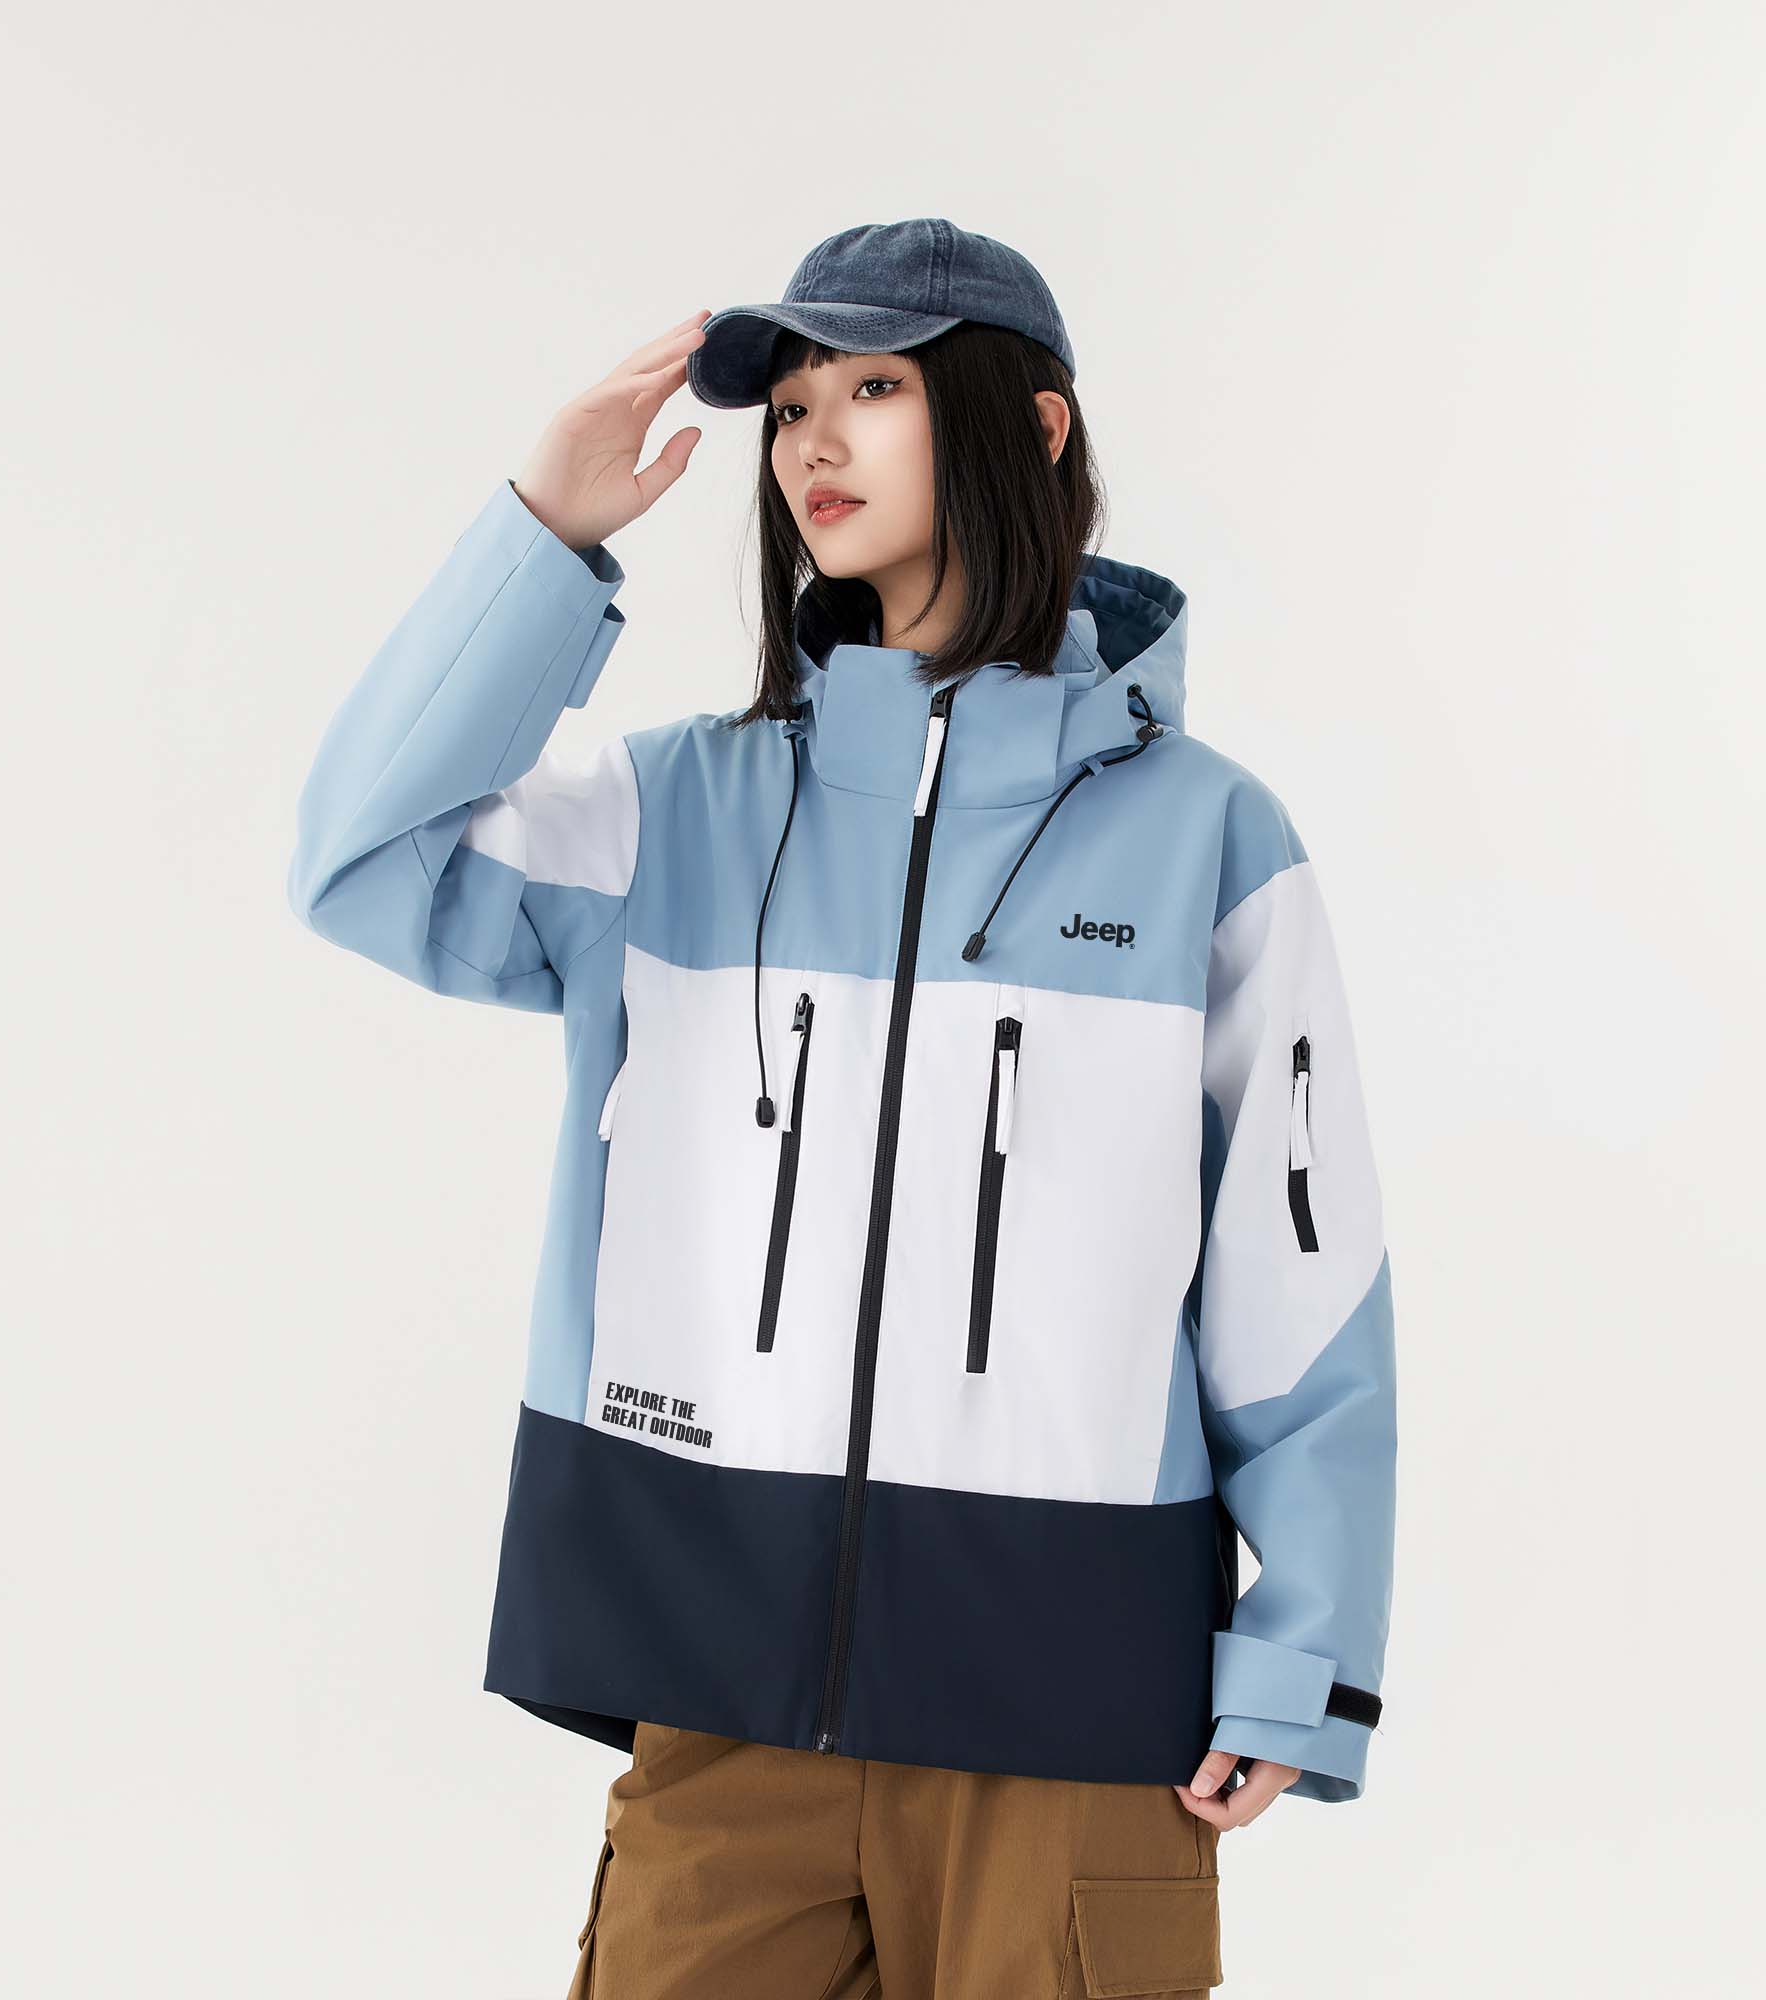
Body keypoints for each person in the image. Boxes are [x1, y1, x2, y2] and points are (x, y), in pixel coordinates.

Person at [287, 217, 1397, 1999]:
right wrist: (543, 539)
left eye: (873, 389)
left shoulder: (1210, 841)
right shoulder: (675, 812)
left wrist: (1304, 1654)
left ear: (1033, 426)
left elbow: (1301, 1274)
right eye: (793, 404)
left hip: (1074, 1723)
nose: (813, 440)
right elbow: (361, 864)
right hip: (721, 1703)